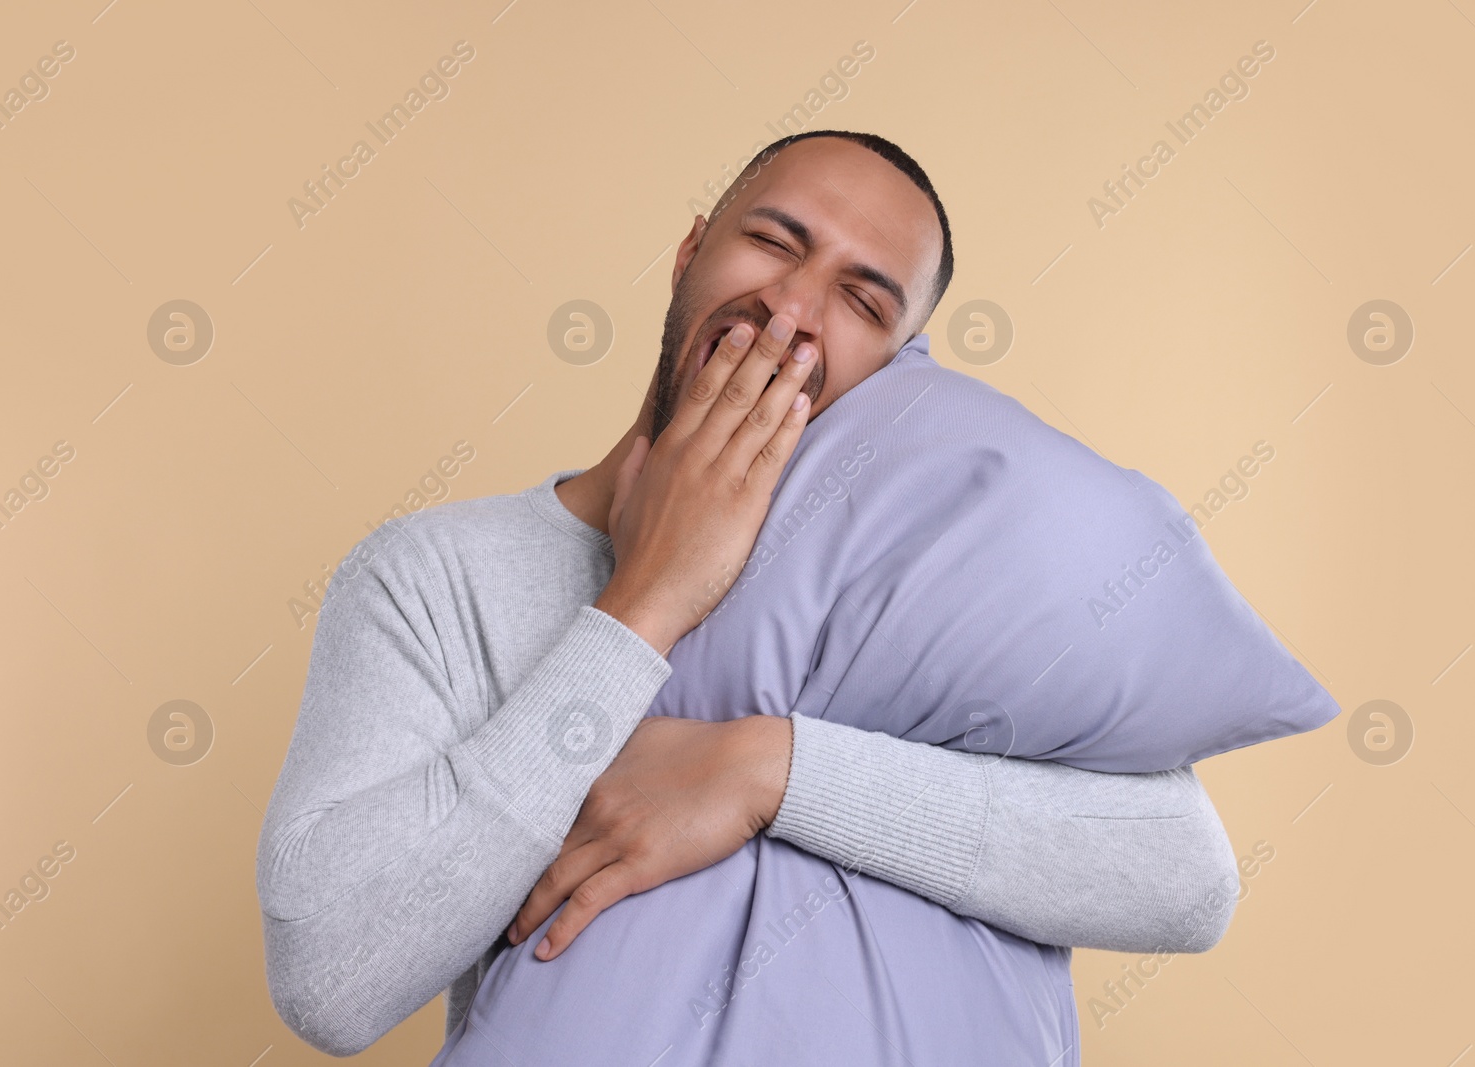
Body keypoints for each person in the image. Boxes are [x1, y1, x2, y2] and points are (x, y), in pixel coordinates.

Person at [256, 130, 1240, 1061]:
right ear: (689, 252)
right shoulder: (437, 573)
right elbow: (331, 980)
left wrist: (766, 770)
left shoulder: (929, 579)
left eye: (861, 299)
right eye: (774, 241)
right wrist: (643, 605)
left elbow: (1181, 877)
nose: (793, 308)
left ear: (898, 371)